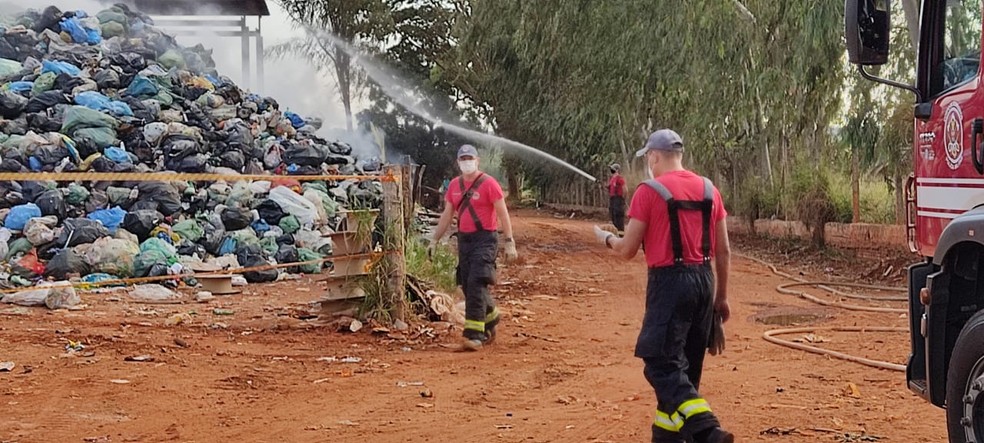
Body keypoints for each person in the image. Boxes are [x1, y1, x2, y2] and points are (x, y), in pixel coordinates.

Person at [592, 129, 733, 443]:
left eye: (649, 159)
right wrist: (721, 298)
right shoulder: (710, 190)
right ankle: (667, 436)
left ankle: (707, 430)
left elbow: (628, 249)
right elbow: (723, 250)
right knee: (686, 369)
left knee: (660, 362)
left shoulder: (649, 191)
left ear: (654, 156)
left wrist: (607, 239)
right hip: (704, 281)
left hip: (669, 283)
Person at [430, 144, 519, 351]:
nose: (466, 162)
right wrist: (435, 240)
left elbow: (503, 213)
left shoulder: (489, 184)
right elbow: (447, 214)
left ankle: (474, 335)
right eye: (463, 159)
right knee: (467, 284)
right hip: (464, 240)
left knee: (477, 281)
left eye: (470, 158)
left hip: (485, 240)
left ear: (477, 161)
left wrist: (509, 241)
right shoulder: (454, 186)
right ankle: (491, 317)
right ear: (458, 162)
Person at [608, 163, 628, 236]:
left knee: (618, 217)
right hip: (613, 199)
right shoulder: (612, 179)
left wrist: (622, 199)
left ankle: (621, 235)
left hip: (618, 199)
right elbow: (610, 189)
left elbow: (625, 189)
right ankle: (615, 234)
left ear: (617, 170)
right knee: (613, 216)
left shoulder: (620, 178)